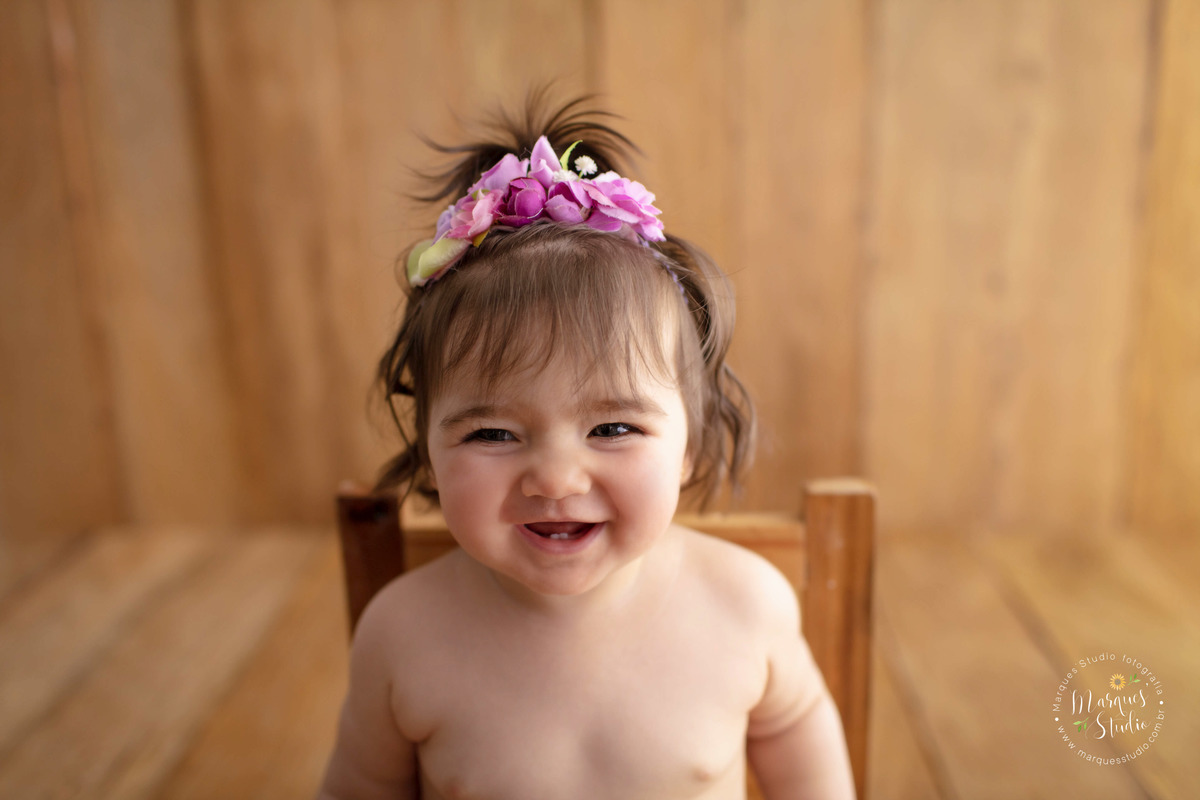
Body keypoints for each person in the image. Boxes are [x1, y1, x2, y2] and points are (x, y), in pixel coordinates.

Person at [317, 92, 857, 800]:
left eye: (612, 428)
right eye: (492, 433)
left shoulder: (743, 607)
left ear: (689, 444)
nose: (556, 478)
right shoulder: (405, 636)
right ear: (428, 453)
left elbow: (802, 744)